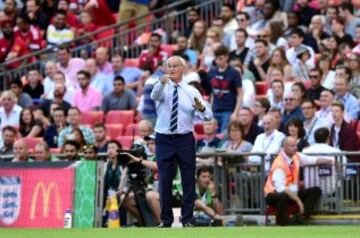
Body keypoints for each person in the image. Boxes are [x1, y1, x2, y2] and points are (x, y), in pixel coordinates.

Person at [150, 56, 212, 228]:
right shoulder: (161, 86)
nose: (171, 69)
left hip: (185, 138)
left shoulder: (191, 91)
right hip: (164, 138)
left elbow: (208, 116)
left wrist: (201, 109)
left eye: (175, 66)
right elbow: (154, 96)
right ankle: (166, 220)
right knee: (165, 180)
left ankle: (187, 219)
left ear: (182, 69)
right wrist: (161, 83)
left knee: (188, 180)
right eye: (168, 66)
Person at [264, 137, 324, 226]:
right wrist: (298, 200)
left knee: (316, 190)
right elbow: (281, 189)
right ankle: (284, 222)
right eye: (292, 146)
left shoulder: (296, 156)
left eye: (296, 145)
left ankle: (301, 217)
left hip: (291, 192)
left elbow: (312, 160)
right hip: (273, 194)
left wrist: (331, 161)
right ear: (284, 147)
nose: (295, 148)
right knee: (282, 197)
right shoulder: (279, 164)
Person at [207, 45, 242, 133]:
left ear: (227, 57)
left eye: (221, 58)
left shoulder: (234, 73)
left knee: (224, 136)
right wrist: (210, 109)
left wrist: (235, 112)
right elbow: (212, 93)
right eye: (216, 59)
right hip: (215, 110)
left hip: (228, 110)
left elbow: (240, 94)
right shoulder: (212, 71)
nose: (218, 61)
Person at [302, 128, 346, 196]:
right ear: (328, 137)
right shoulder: (336, 152)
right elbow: (343, 171)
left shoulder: (305, 151)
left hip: (310, 188)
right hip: (332, 189)